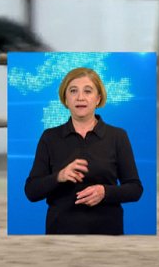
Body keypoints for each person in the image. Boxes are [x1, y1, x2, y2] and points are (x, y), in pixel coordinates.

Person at [24, 67, 143, 235]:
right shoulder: (49, 137)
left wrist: (105, 192)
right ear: (66, 98)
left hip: (107, 235)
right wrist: (59, 176)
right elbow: (31, 191)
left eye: (88, 91)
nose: (80, 97)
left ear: (98, 98)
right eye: (73, 91)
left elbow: (135, 189)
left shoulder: (118, 136)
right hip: (61, 235)